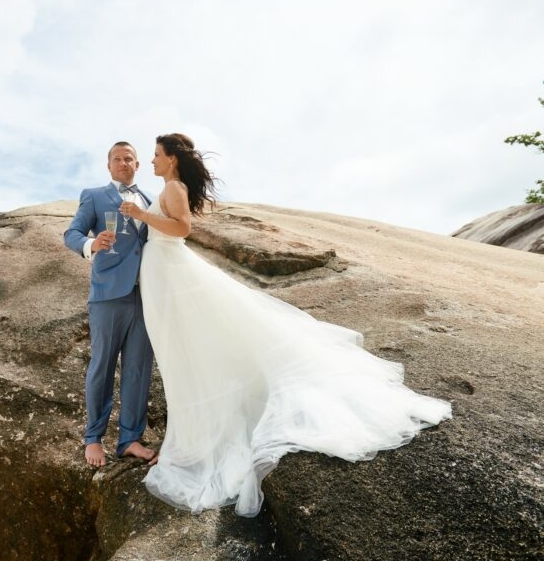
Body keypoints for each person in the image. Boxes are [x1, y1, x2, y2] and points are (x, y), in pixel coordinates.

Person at [119, 132, 453, 517]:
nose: (154, 161)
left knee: (191, 350)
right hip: (162, 274)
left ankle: (199, 442)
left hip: (173, 271)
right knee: (184, 351)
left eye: (157, 155)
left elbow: (183, 228)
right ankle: (195, 436)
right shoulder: (166, 186)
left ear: (173, 158)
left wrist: (141, 215)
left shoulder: (173, 187)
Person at [64, 141, 156, 467]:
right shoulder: (94, 195)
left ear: (137, 164)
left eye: (128, 158)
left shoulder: (150, 202)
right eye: (117, 158)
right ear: (109, 165)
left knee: (138, 369)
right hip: (108, 295)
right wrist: (92, 243)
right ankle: (93, 439)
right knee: (101, 366)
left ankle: (130, 439)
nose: (122, 162)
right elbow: (71, 233)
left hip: (145, 297)